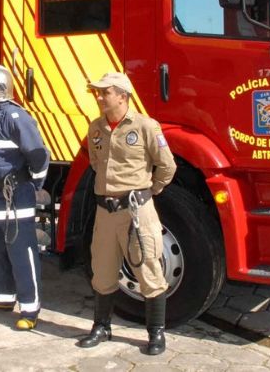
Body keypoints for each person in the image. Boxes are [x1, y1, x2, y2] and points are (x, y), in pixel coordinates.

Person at [78, 72, 176, 355]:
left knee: (148, 269)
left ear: (122, 95)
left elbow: (166, 166)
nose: (99, 97)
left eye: (104, 92)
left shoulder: (146, 126)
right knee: (103, 271)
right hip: (105, 213)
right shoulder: (95, 128)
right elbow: (97, 163)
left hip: (137, 213)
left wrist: (149, 192)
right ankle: (101, 326)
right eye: (98, 92)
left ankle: (156, 334)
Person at [0, 64, 50, 330]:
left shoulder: (15, 117)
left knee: (21, 251)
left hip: (16, 196)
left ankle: (30, 308)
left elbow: (39, 154)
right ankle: (2, 297)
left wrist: (34, 183)